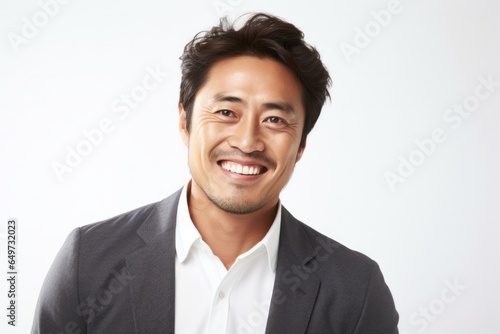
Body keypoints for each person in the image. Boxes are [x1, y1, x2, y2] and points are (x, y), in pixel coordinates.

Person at [32, 13, 399, 334]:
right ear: (184, 121)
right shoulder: (89, 261)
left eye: (274, 119)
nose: (247, 140)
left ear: (301, 145)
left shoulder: (355, 290)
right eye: (226, 112)